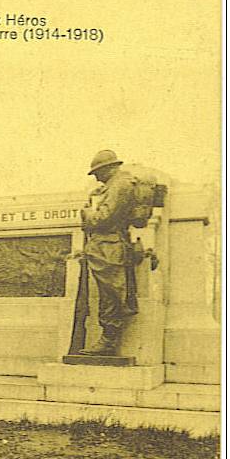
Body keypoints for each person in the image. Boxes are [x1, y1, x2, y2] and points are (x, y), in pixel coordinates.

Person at [79, 150, 138, 356]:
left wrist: (87, 212)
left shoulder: (120, 185)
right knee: (108, 292)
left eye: (97, 172)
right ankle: (107, 338)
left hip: (110, 248)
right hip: (104, 247)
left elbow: (102, 219)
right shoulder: (112, 186)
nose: (96, 176)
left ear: (108, 168)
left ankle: (109, 340)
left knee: (111, 293)